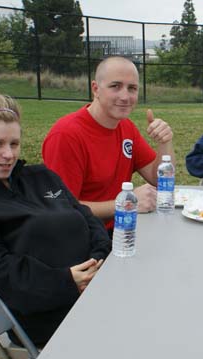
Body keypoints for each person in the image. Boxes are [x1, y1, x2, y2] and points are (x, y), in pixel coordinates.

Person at [0, 93, 110, 346]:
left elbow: (85, 217)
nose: (8, 154)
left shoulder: (41, 177)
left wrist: (97, 260)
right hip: (43, 315)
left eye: (14, 144)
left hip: (95, 287)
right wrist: (65, 281)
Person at [42, 56, 174, 229]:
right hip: (86, 239)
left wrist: (164, 142)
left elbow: (159, 180)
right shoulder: (66, 135)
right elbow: (62, 208)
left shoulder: (126, 127)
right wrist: (126, 202)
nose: (125, 96)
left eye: (132, 88)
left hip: (123, 227)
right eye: (115, 86)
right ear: (95, 89)